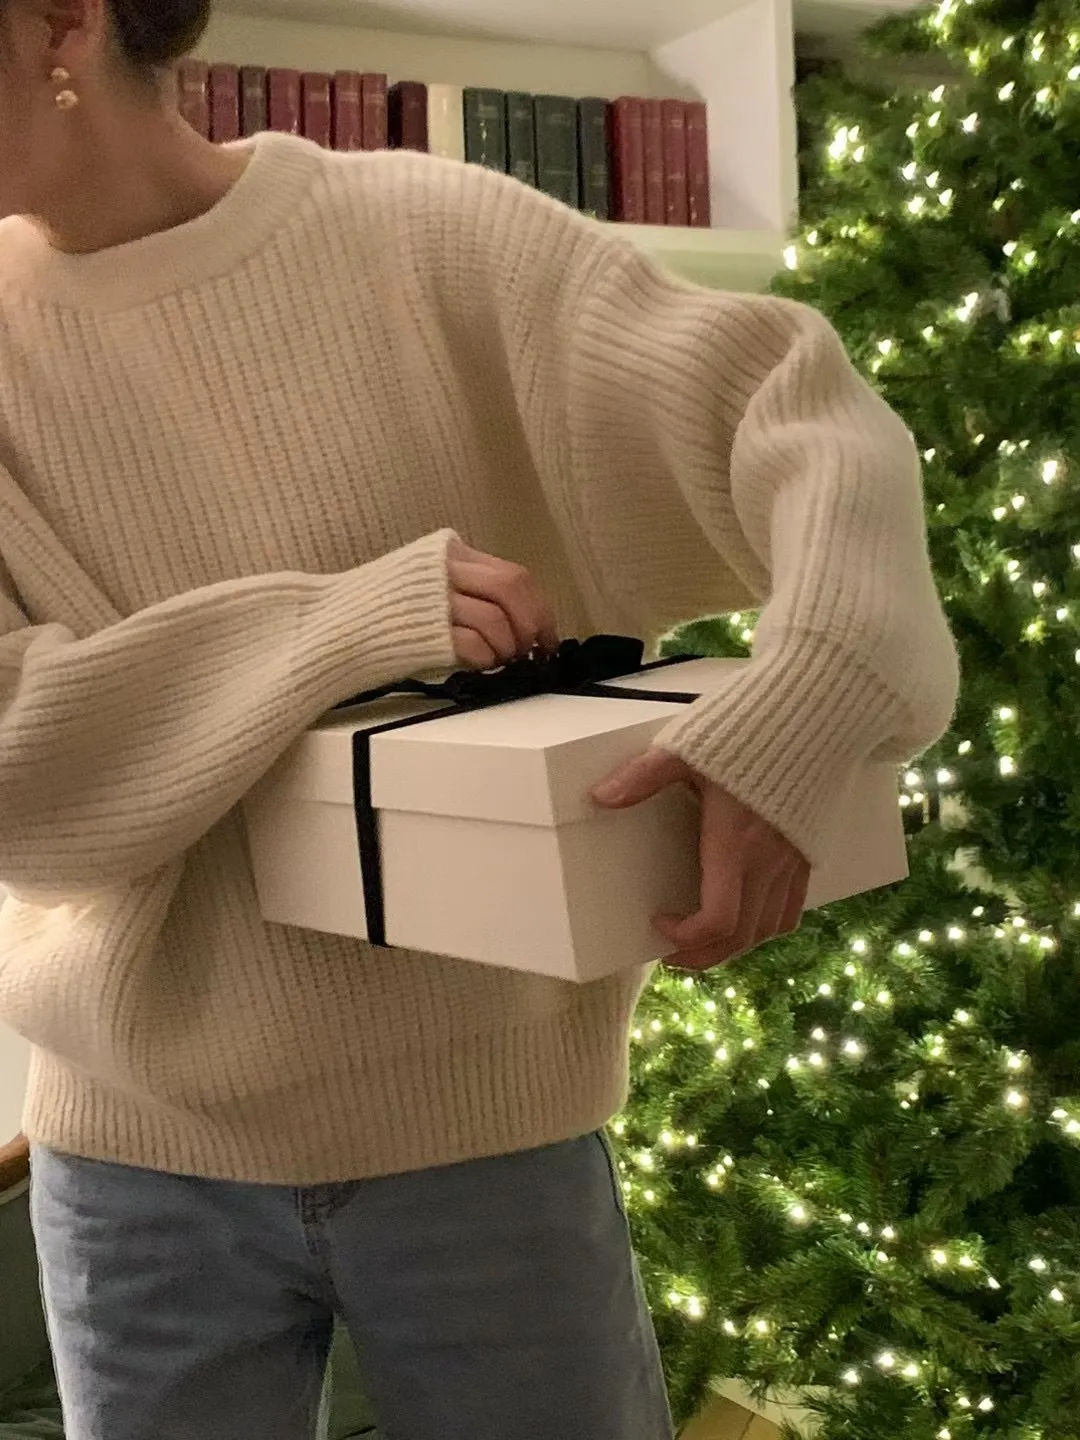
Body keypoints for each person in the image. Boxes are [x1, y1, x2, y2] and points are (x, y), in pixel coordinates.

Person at [0, 1, 959, 1438]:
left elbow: (808, 419)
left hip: (486, 1144)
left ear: (61, 22)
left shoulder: (434, 242)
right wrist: (339, 624)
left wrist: (803, 715)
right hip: (132, 1171)